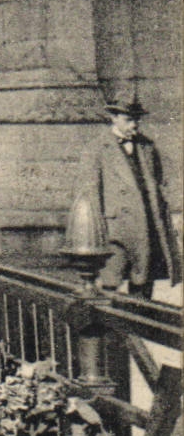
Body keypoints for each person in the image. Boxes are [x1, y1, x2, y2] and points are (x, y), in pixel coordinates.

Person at [82, 98, 178, 296]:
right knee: (110, 284)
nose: (134, 125)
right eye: (128, 120)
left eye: (137, 120)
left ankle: (141, 311)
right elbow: (90, 193)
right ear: (113, 118)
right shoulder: (97, 148)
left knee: (143, 282)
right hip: (114, 230)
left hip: (146, 226)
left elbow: (160, 184)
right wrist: (97, 230)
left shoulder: (147, 146)